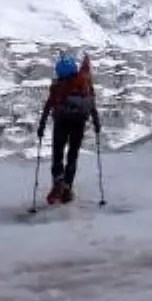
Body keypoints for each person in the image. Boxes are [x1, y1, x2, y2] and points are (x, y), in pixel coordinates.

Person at [37, 52, 101, 204]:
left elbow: (48, 106)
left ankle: (57, 183)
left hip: (61, 122)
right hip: (79, 124)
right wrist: (97, 124)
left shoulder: (58, 86)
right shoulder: (84, 84)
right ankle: (67, 188)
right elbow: (92, 106)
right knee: (73, 155)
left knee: (58, 154)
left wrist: (42, 125)